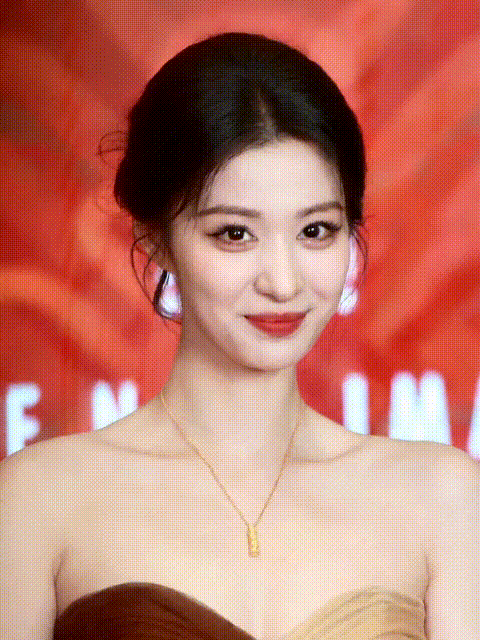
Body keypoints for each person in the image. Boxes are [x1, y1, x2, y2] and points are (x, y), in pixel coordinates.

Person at [0, 32, 478, 640]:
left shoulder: (441, 497)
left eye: (316, 231)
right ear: (157, 240)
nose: (282, 282)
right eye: (234, 234)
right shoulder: (41, 499)